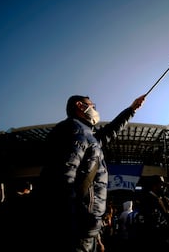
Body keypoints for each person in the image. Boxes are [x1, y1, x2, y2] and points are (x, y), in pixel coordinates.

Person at [38, 93, 146, 252]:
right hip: (74, 231)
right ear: (80, 106)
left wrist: (132, 109)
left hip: (85, 230)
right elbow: (63, 179)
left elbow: (110, 130)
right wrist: (76, 222)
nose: (95, 109)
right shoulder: (74, 130)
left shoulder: (87, 135)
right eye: (92, 106)